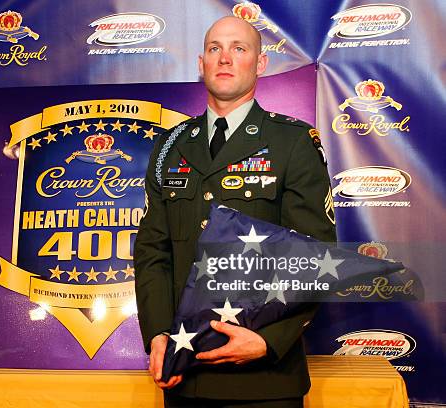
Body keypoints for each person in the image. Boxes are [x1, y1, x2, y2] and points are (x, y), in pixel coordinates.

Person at [134, 16, 337, 407]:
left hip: (265, 381)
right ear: (201, 62)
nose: (224, 58)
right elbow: (152, 252)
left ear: (259, 64)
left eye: (239, 48)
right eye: (215, 49)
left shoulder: (292, 142)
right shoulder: (169, 146)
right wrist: (159, 334)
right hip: (185, 375)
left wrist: (268, 341)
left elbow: (316, 257)